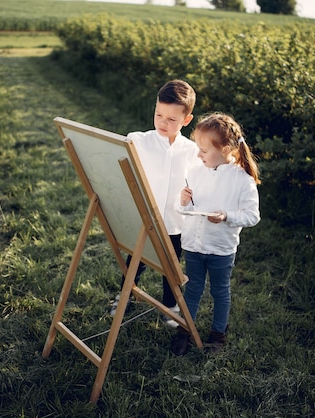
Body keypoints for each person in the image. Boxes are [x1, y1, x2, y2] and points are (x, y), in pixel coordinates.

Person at [110, 80, 200, 329]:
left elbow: (196, 184)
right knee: (135, 261)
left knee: (171, 266)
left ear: (186, 120)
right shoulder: (138, 141)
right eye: (159, 114)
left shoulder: (191, 151)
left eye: (172, 119)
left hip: (174, 221)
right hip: (143, 219)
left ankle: (170, 307)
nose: (163, 122)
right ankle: (125, 295)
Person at [170, 112, 261, 355]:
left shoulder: (243, 179)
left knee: (220, 291)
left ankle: (217, 335)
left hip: (221, 248)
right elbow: (185, 209)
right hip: (194, 245)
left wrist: (226, 216)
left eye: (203, 150)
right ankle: (185, 330)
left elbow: (252, 216)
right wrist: (183, 201)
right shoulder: (195, 171)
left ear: (226, 149)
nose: (198, 155)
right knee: (193, 289)